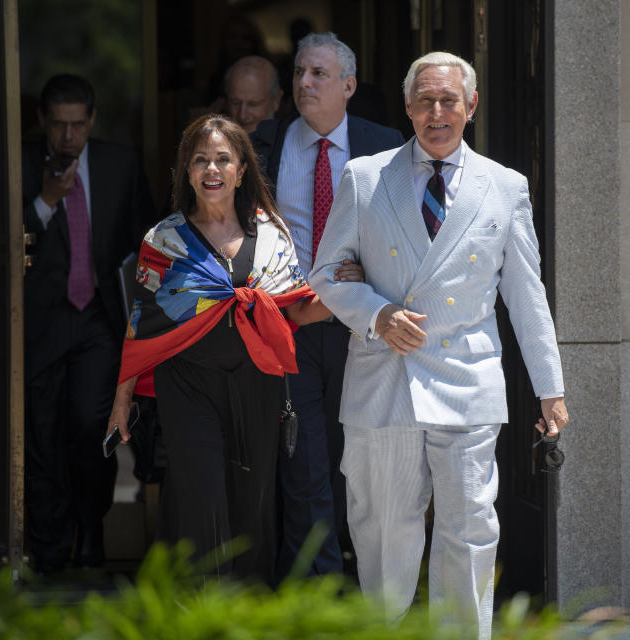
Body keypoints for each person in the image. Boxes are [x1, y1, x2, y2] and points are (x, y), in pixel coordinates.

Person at [308, 52, 571, 638]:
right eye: (424, 100)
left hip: (465, 378)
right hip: (384, 377)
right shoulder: (366, 176)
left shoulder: (505, 188)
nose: (436, 112)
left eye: (449, 100)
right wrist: (376, 315)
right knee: (382, 530)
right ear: (407, 107)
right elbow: (324, 275)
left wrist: (550, 390)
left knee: (470, 529)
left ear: (470, 107)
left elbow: (526, 298)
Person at [105, 114, 361, 584]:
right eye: (200, 159)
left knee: (252, 505)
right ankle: (203, 611)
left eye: (223, 159)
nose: (211, 169)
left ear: (242, 170)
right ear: (186, 170)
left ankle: (247, 612)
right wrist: (122, 400)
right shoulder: (163, 241)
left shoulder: (273, 234)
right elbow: (141, 326)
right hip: (187, 386)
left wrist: (359, 292)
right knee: (204, 499)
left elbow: (298, 310)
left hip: (257, 385)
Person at [250, 31, 405, 578]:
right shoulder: (262, 143)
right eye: (298, 73)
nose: (304, 83)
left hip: (361, 325)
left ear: (349, 86)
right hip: (288, 324)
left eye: (318, 74)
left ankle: (366, 577)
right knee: (305, 458)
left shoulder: (386, 147)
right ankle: (316, 589)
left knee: (359, 458)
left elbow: (405, 236)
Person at [22, 73, 155, 574]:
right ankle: (48, 544)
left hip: (100, 318)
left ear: (92, 120)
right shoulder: (21, 164)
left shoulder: (119, 164)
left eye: (77, 125)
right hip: (41, 319)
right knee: (42, 430)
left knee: (89, 426)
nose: (68, 137)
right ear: (43, 122)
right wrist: (47, 201)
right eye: (58, 126)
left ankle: (91, 530)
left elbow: (147, 238)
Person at [192, 56, 283, 133]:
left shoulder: (290, 146)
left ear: (276, 101)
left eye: (253, 104)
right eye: (235, 103)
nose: (242, 116)